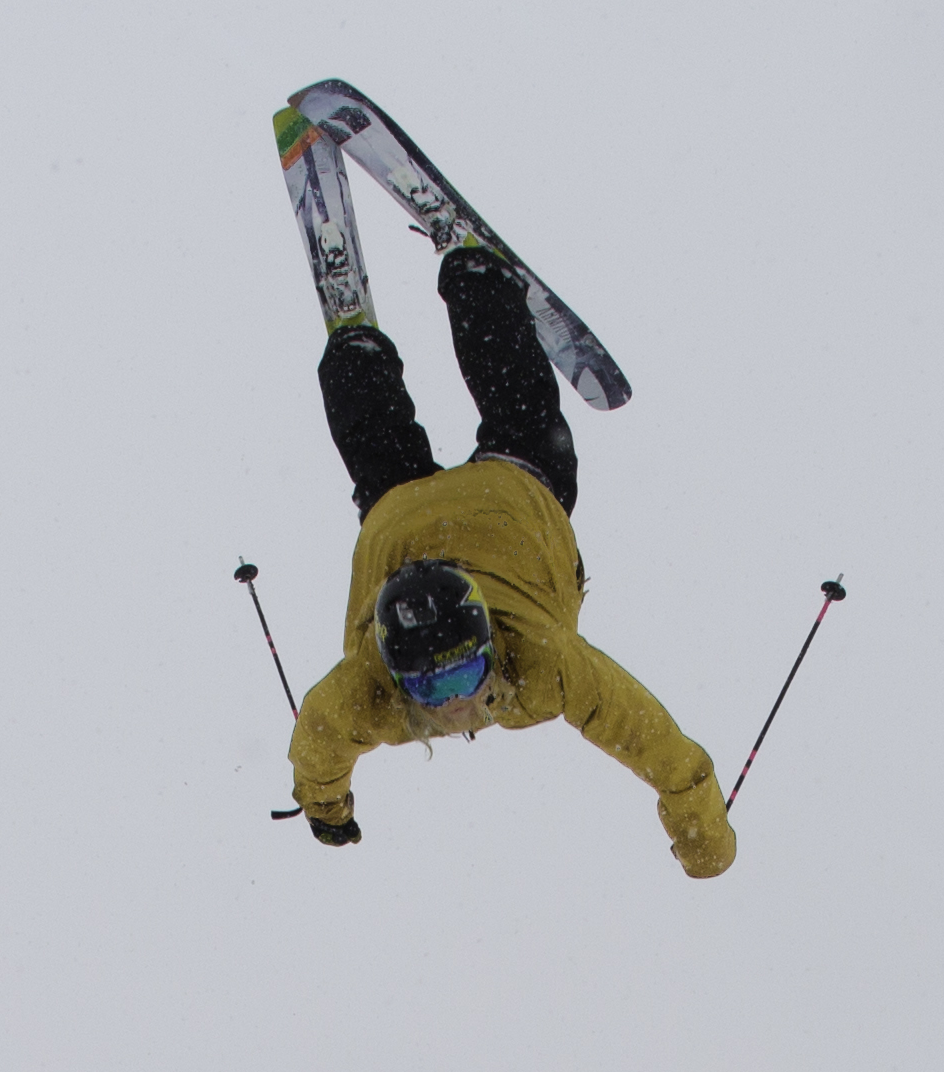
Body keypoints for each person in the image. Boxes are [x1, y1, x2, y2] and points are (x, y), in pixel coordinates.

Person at [289, 242, 737, 879]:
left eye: (453, 679)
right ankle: (387, 337)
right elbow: (317, 742)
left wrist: (327, 808)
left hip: (495, 505)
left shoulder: (533, 666)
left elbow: (317, 744)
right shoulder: (394, 690)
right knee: (424, 437)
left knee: (521, 416)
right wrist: (325, 808)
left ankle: (470, 290)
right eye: (436, 686)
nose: (451, 706)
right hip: (438, 510)